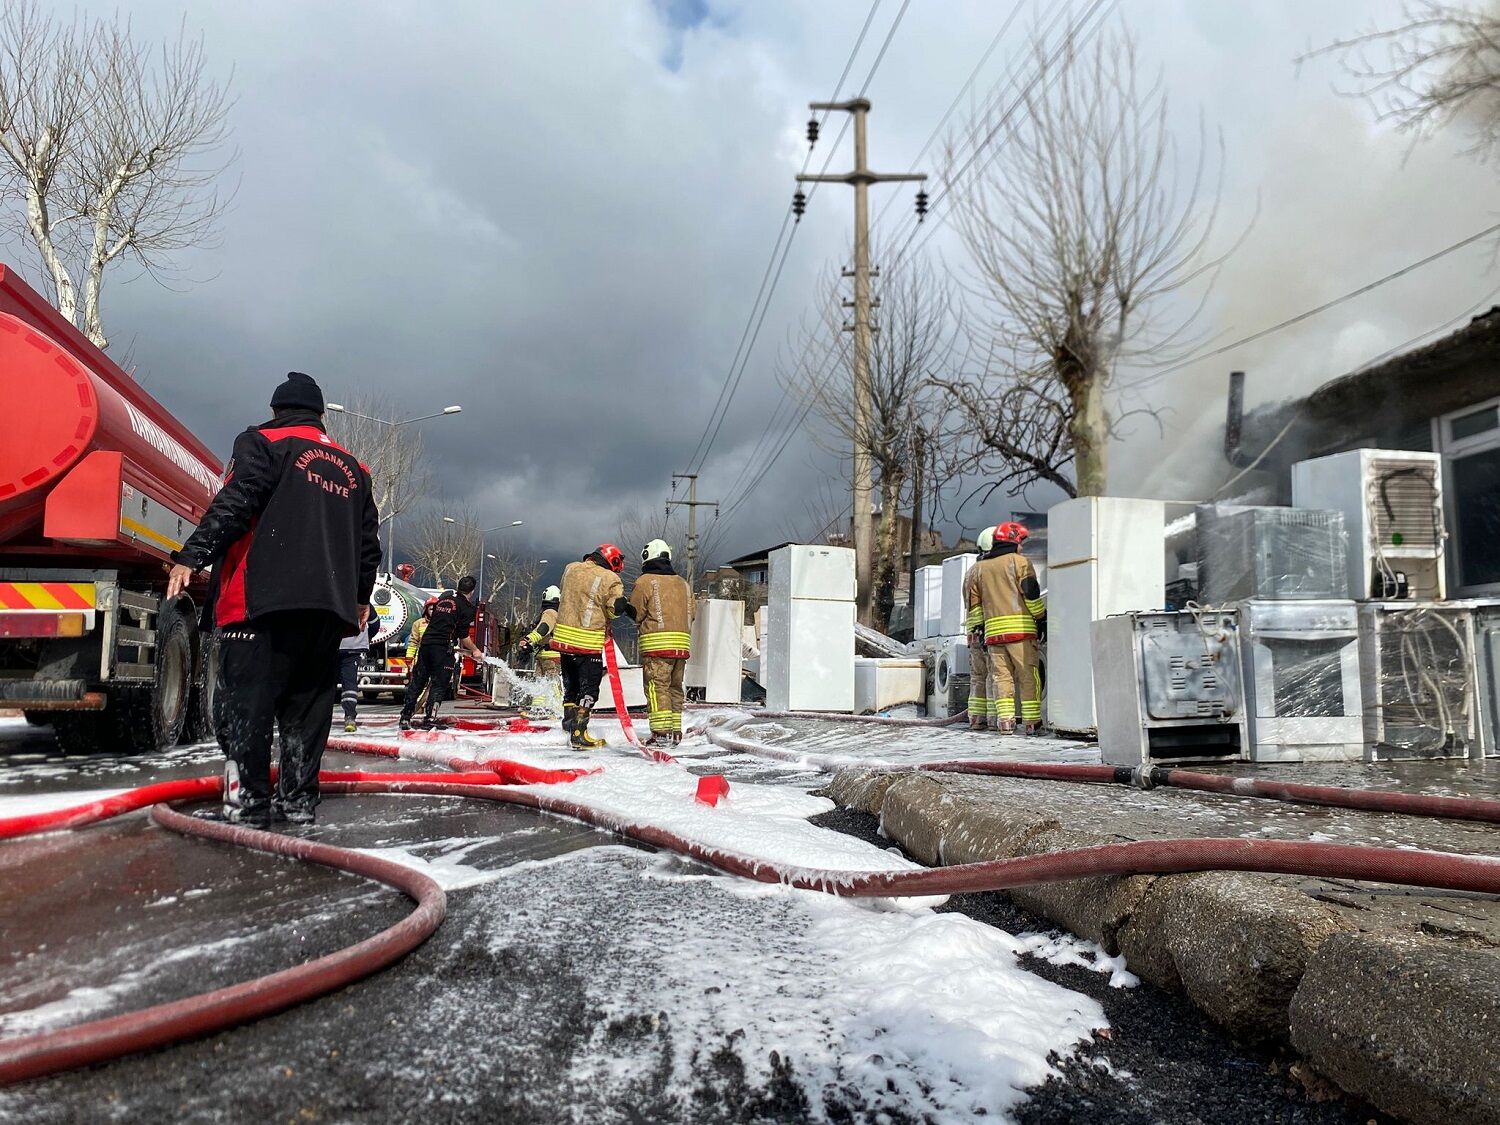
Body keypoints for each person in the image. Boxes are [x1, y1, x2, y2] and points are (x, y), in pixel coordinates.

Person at [167, 371, 381, 826]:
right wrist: (360, 600)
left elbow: (236, 501)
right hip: (328, 611)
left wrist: (192, 556)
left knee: (245, 708)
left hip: (261, 604)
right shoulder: (357, 471)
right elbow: (368, 547)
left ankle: (246, 803)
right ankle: (299, 802)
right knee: (308, 710)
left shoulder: (262, 443)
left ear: (275, 411)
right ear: (320, 417)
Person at [553, 544, 633, 750]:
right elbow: (614, 610)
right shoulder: (611, 579)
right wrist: (623, 607)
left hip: (563, 641)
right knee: (589, 691)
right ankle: (579, 734)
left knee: (571, 688)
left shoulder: (570, 569)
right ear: (612, 561)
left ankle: (568, 725)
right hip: (587, 644)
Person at [976, 521, 1046, 734]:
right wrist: (1041, 618)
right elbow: (1031, 594)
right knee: (1028, 676)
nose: (1022, 547)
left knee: (1001, 679)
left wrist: (981, 629)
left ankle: (1005, 723)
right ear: (1012, 541)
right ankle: (1032, 723)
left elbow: (977, 605)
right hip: (1021, 632)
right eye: (1020, 542)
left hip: (993, 636)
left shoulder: (981, 568)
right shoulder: (1020, 563)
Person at [630, 539, 693, 746]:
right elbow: (692, 614)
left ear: (647, 556)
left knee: (657, 688)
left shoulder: (645, 581)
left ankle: (661, 734)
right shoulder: (684, 583)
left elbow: (637, 612)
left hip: (657, 647)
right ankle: (675, 732)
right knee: (675, 688)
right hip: (681, 647)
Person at [400, 577, 481, 730]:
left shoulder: (443, 600)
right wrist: (475, 650)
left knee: (418, 682)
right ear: (472, 591)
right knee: (439, 684)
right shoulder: (467, 608)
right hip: (443, 648)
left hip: (426, 645)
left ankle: (405, 717)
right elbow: (463, 636)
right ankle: (429, 718)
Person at [962, 526, 998, 731]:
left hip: (973, 632)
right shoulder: (989, 572)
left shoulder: (971, 572)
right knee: (994, 676)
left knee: (977, 677)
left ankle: (976, 719)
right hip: (987, 630)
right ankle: (993, 721)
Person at [337, 612, 380, 733]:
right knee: (349, 683)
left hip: (330, 646)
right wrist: (364, 638)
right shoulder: (362, 601)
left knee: (326, 685)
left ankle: (321, 718)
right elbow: (375, 624)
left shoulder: (333, 596)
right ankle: (349, 717)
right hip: (353, 648)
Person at [517, 585, 562, 682]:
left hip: (551, 659)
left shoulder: (550, 612)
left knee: (551, 689)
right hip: (545, 657)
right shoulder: (556, 613)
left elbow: (543, 628)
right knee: (542, 691)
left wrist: (528, 640)